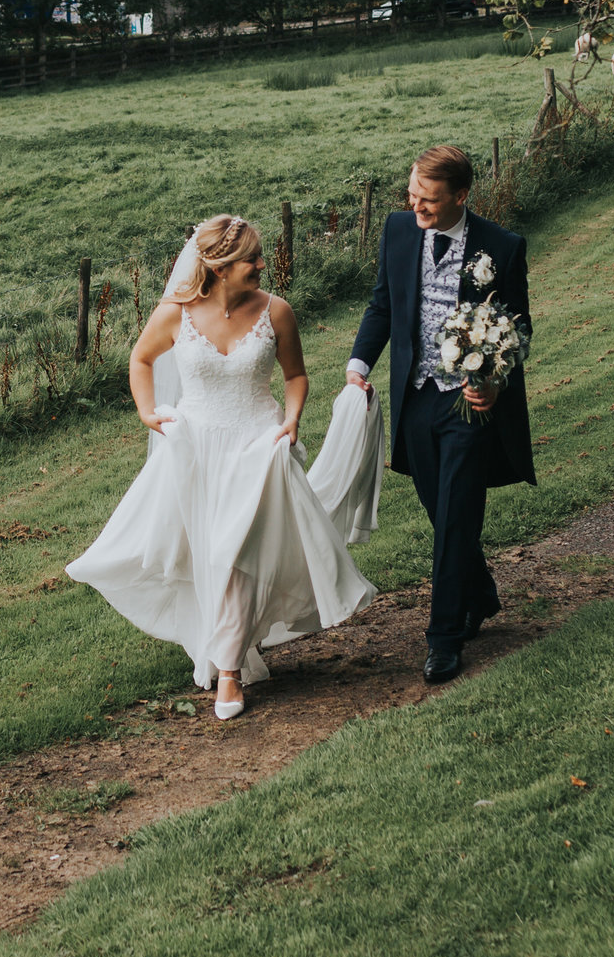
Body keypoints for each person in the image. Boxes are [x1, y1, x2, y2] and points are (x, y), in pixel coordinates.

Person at [66, 215, 384, 720]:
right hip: (195, 448)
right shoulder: (176, 313)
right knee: (207, 555)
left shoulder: (277, 312)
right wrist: (149, 413)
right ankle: (223, 649)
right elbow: (140, 360)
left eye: (258, 257)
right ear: (216, 267)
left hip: (258, 444)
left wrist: (293, 419)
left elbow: (296, 376)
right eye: (251, 260)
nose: (261, 265)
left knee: (237, 554)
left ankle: (229, 673)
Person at [347, 145, 534, 684]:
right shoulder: (399, 231)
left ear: (460, 196)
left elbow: (517, 327)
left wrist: (493, 384)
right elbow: (383, 302)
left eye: (428, 200)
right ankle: (480, 593)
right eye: (412, 195)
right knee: (438, 504)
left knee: (455, 513)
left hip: (467, 401)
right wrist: (359, 365)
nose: (417, 207)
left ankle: (444, 638)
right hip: (416, 394)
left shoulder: (501, 246)